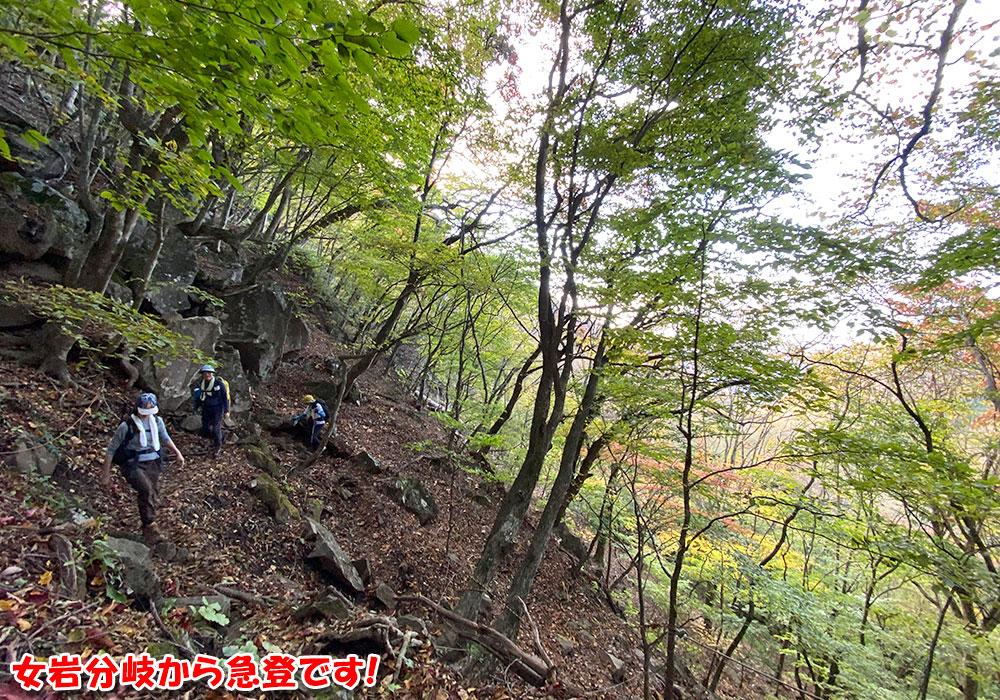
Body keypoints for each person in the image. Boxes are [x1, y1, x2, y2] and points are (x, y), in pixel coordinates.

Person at [102, 393, 185, 542]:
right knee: (146, 490)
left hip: (153, 462)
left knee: (153, 492)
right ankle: (149, 524)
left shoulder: (157, 421)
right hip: (133, 464)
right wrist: (105, 475)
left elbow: (165, 437)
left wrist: (177, 453)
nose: (146, 416)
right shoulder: (126, 426)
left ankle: (148, 524)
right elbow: (111, 450)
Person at [192, 364, 229, 458]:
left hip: (218, 408)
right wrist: (195, 408)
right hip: (206, 408)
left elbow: (225, 397)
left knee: (216, 427)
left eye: (209, 373)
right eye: (205, 373)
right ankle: (218, 437)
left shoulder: (218, 383)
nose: (207, 375)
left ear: (212, 374)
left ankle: (218, 446)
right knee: (205, 427)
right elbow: (198, 397)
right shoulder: (200, 384)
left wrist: (226, 411)